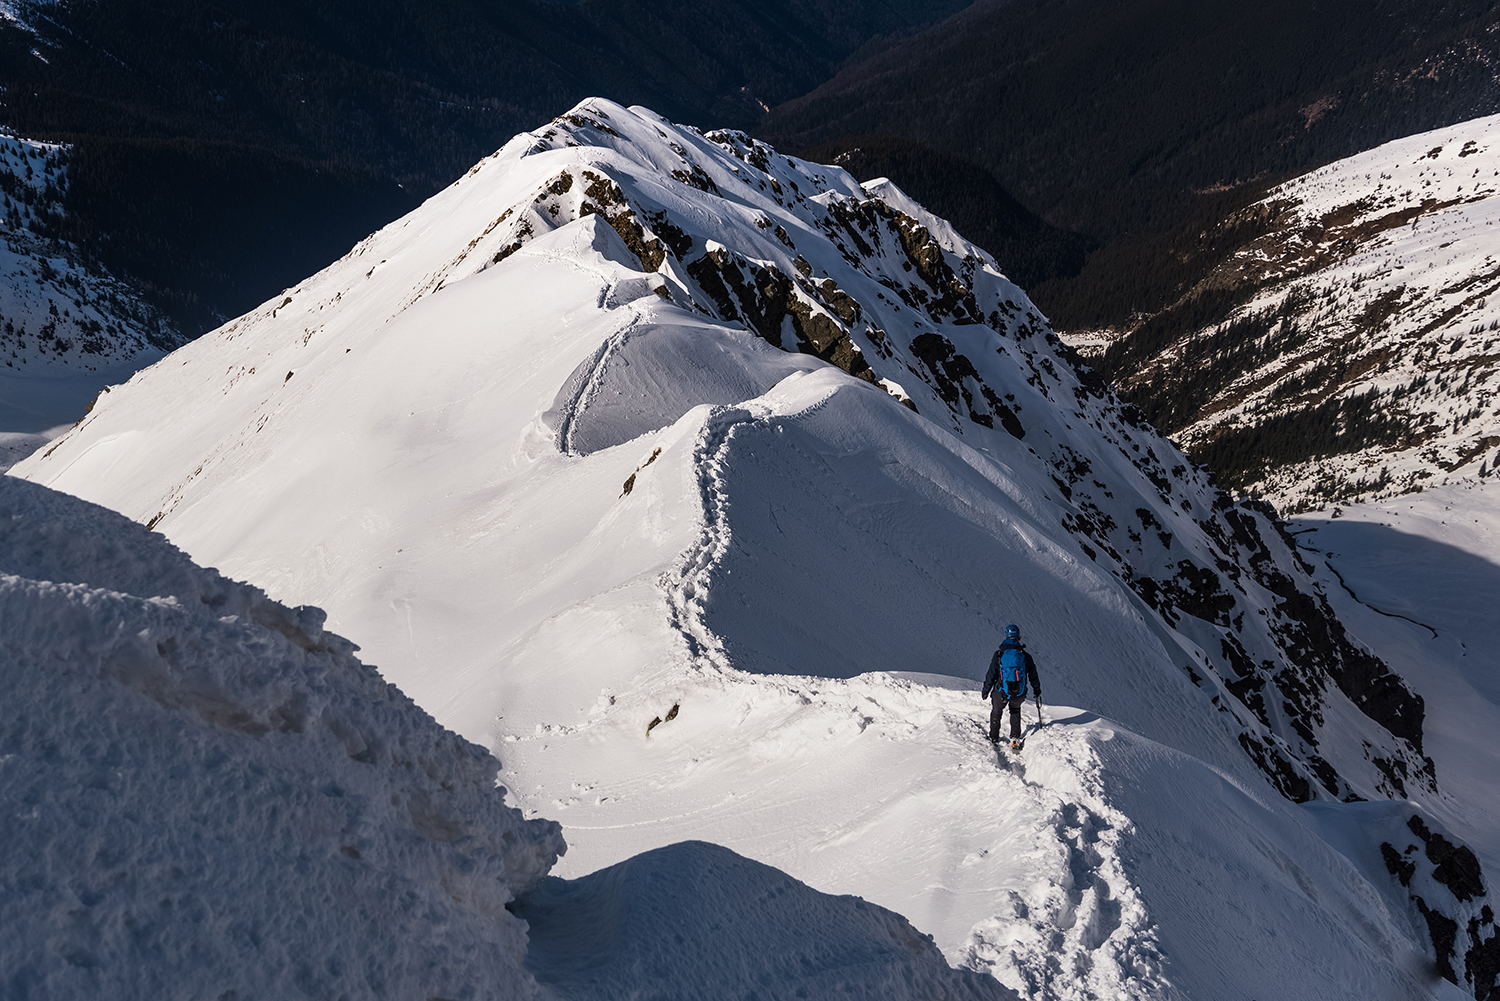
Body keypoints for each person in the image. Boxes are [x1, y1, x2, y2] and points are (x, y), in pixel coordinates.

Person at [981, 624, 1041, 745]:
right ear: (1019, 637)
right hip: (1019, 691)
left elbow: (991, 674)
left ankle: (993, 737)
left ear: (1006, 636)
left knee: (996, 712)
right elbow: (1033, 675)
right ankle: (1015, 738)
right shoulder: (1025, 656)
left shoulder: (999, 654)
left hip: (1001, 691)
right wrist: (1037, 690)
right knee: (1015, 710)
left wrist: (986, 690)